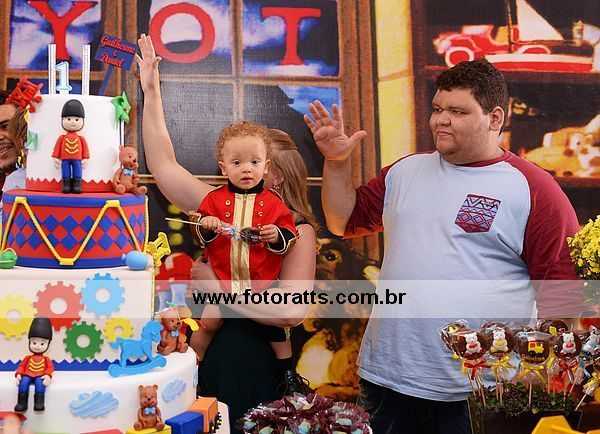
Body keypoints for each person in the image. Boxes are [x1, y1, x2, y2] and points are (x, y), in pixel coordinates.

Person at [304, 59, 581, 434]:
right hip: (387, 378)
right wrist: (337, 163)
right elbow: (343, 220)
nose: (440, 120)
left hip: (478, 390)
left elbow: (562, 291)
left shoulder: (534, 188)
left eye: (457, 111)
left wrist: (540, 370)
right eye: (437, 109)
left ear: (495, 118)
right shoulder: (405, 171)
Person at [136, 33, 316, 431]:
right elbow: (164, 166)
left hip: (254, 361)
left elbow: (290, 310)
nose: (248, 172)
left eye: (259, 165)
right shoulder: (220, 204)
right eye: (239, 164)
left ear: (275, 176)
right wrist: (152, 90)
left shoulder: (297, 231)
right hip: (212, 354)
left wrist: (220, 291)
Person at [188, 119, 301, 394]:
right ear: (224, 168)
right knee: (209, 321)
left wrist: (276, 235)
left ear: (266, 166)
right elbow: (200, 231)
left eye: (254, 162)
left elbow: (289, 234)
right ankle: (191, 368)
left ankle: (287, 373)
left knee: (276, 333)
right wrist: (207, 225)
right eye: (237, 163)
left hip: (260, 284)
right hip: (223, 280)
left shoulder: (274, 203)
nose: (247, 169)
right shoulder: (213, 200)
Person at [52, 99, 89, 194]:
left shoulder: (81, 138)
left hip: (77, 160)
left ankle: (77, 185)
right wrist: (56, 157)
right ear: (63, 120)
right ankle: (66, 185)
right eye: (69, 119)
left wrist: (85, 158)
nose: (73, 122)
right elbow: (57, 147)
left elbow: (85, 149)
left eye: (76, 120)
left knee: (77, 170)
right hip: (65, 159)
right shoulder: (62, 137)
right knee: (65, 171)